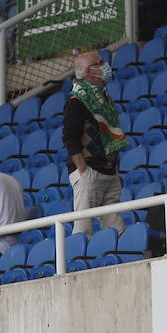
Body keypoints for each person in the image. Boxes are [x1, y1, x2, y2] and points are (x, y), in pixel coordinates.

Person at [64, 52, 128, 236]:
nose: (105, 65)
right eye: (99, 63)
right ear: (88, 72)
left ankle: (120, 256)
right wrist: (83, 171)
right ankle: (80, 264)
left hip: (109, 171)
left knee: (116, 227)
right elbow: (70, 138)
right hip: (90, 172)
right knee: (83, 229)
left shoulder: (101, 96)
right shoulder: (77, 101)